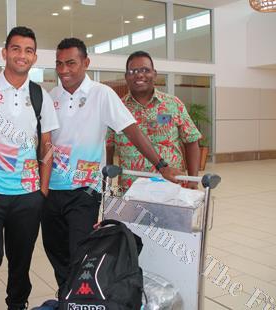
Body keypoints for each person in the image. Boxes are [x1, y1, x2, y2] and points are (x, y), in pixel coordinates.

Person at [42, 38, 182, 291]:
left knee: (80, 251)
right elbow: (44, 143)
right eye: (59, 64)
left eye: (71, 63)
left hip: (84, 189)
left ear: (86, 63)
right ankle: (67, 295)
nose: (64, 70)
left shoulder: (101, 94)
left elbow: (131, 130)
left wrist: (161, 164)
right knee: (54, 249)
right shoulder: (51, 96)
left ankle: (78, 296)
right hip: (51, 188)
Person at [0, 26, 59, 310]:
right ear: (5, 53)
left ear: (34, 57)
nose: (22, 55)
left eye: (28, 50)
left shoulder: (41, 96)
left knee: (21, 262)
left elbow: (47, 146)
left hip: (27, 197)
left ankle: (17, 304)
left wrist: (41, 190)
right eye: (16, 48)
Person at [106, 50, 202, 193]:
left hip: (172, 188)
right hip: (131, 191)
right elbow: (108, 149)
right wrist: (106, 185)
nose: (139, 74)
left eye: (145, 70)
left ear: (154, 74)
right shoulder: (117, 109)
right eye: (133, 71)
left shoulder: (173, 104)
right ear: (126, 77)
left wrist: (193, 181)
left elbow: (191, 141)